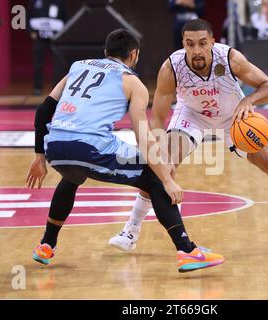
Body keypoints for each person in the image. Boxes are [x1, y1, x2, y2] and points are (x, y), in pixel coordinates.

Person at [109, 19, 268, 253]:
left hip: (233, 116)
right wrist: (159, 156)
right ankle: (130, 230)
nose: (196, 50)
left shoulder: (229, 58)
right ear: (183, 44)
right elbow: (157, 117)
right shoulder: (172, 67)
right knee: (162, 168)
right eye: (189, 44)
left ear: (212, 42)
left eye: (202, 43)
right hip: (192, 115)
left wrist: (248, 100)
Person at [26, 28, 224, 273]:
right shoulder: (132, 82)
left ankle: (46, 244)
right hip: (90, 148)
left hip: (55, 147)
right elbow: (141, 134)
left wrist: (39, 156)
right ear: (134, 55)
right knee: (154, 178)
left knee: (71, 176)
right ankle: (187, 250)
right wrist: (166, 179)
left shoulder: (77, 67)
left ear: (105, 52)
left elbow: (44, 110)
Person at [27, 0, 67, 96]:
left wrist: (62, 35)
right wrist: (30, 31)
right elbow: (27, 17)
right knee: (38, 64)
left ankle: (57, 88)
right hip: (39, 37)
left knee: (58, 64)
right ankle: (37, 88)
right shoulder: (34, 2)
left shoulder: (59, 2)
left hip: (56, 38)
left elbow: (65, 18)